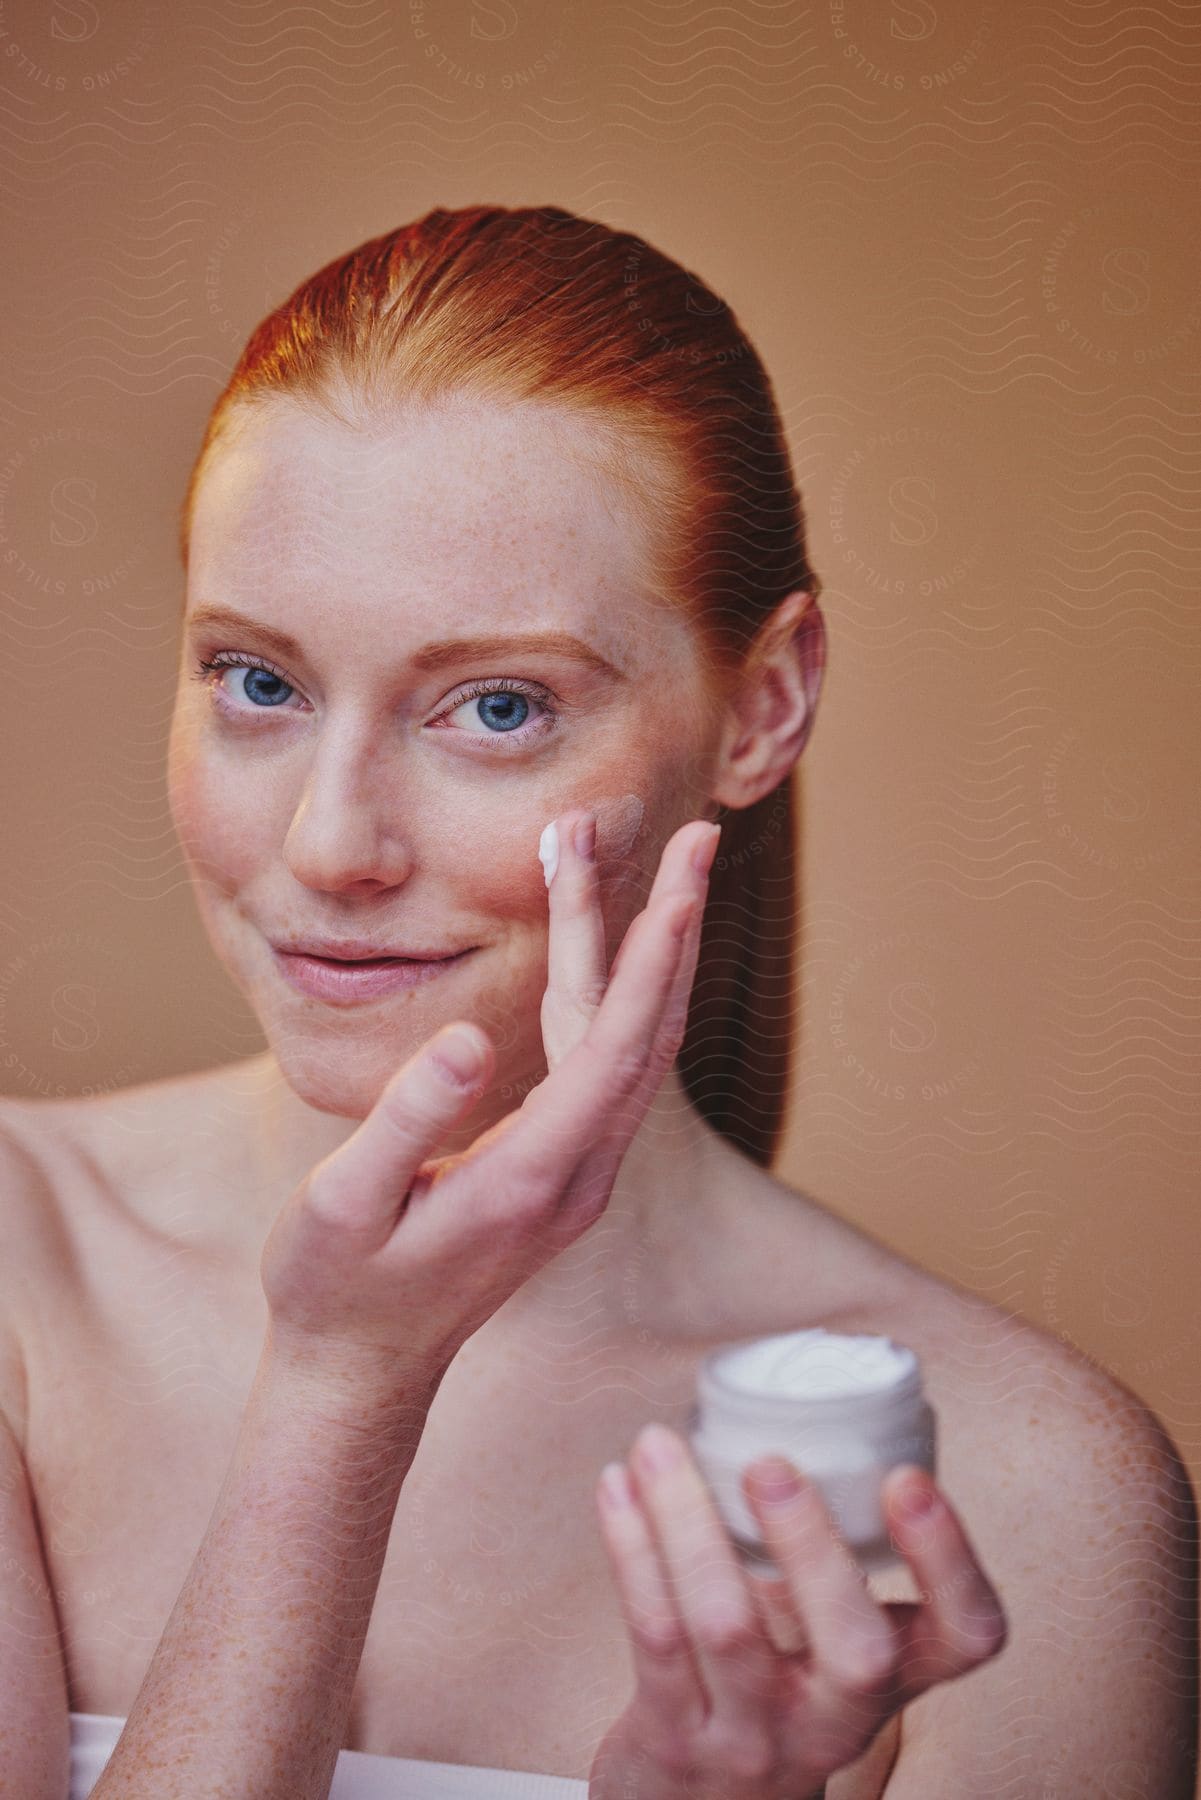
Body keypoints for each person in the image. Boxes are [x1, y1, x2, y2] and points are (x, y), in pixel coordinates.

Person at [0, 204, 1194, 1800]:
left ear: (762, 708)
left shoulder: (1013, 1489)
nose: (329, 841)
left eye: (495, 707)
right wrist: (340, 1391)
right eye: (257, 682)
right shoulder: (19, 1268)